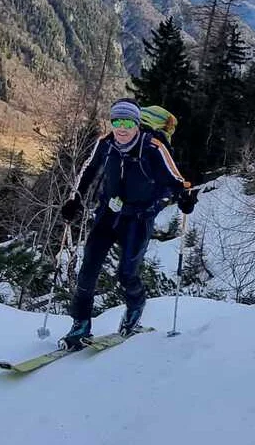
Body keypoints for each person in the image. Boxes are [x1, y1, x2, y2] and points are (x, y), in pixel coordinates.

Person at [59, 99, 197, 349]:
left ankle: (135, 307)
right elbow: (88, 170)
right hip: (108, 214)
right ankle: (80, 324)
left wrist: (186, 198)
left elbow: (175, 178)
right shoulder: (106, 143)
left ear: (137, 124)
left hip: (139, 217)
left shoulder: (153, 147)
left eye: (127, 123)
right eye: (116, 122)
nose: (120, 128)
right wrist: (75, 201)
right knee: (88, 268)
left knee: (126, 273)